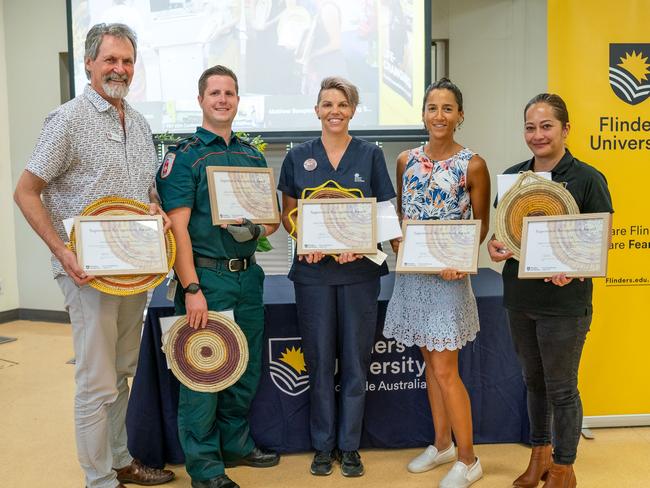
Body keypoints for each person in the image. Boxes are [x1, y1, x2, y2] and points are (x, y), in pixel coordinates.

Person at [13, 23, 175, 488]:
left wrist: (158, 213)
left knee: (121, 372)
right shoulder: (66, 119)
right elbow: (26, 192)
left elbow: (146, 190)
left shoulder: (139, 122)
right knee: (95, 381)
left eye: (126, 61)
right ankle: (99, 479)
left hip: (133, 274)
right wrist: (62, 251)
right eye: (110, 60)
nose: (119, 69)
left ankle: (121, 462)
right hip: (87, 275)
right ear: (89, 63)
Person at [155, 65, 280, 488]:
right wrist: (191, 288)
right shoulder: (185, 155)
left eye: (229, 92)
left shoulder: (252, 156)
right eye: (214, 93)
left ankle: (236, 444)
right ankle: (206, 469)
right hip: (206, 280)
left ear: (238, 100)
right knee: (203, 376)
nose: (222, 99)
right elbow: (178, 231)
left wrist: (258, 230)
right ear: (201, 100)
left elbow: (272, 222)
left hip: (248, 278)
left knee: (243, 373)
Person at [487, 93, 613, 488]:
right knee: (533, 383)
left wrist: (573, 267)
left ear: (565, 129)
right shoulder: (513, 178)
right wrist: (495, 246)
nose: (537, 135)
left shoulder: (588, 178)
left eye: (546, 126)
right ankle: (538, 457)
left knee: (561, 388)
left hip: (565, 304)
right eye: (530, 127)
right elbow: (504, 235)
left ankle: (563, 468)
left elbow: (601, 240)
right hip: (521, 299)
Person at [277, 76, 396, 477]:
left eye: (342, 105)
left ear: (353, 110)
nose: (334, 111)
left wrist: (361, 243)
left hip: (360, 273)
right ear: (316, 110)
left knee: (356, 363)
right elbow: (288, 215)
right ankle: (322, 445)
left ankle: (349, 447)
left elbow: (383, 213)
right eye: (327, 104)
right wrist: (303, 240)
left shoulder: (370, 155)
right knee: (320, 361)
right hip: (313, 275)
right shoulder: (298, 157)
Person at [383, 78, 490, 488]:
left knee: (446, 370)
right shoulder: (405, 159)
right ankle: (442, 443)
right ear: (423, 113)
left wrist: (459, 262)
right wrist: (397, 241)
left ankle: (469, 458)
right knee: (429, 365)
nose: (439, 115)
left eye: (448, 108)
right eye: (432, 107)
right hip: (413, 278)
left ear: (460, 115)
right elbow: (401, 215)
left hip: (448, 279)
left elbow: (477, 227)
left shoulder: (472, 164)